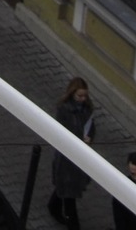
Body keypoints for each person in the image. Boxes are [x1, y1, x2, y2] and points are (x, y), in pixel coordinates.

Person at [48, 77, 96, 227]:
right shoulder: (64, 109)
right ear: (72, 93)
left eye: (84, 96)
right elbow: (60, 133)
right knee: (69, 193)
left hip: (80, 156)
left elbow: (91, 127)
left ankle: (54, 206)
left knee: (65, 187)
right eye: (79, 96)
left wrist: (89, 137)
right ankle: (73, 225)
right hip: (66, 157)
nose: (82, 99)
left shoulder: (87, 109)